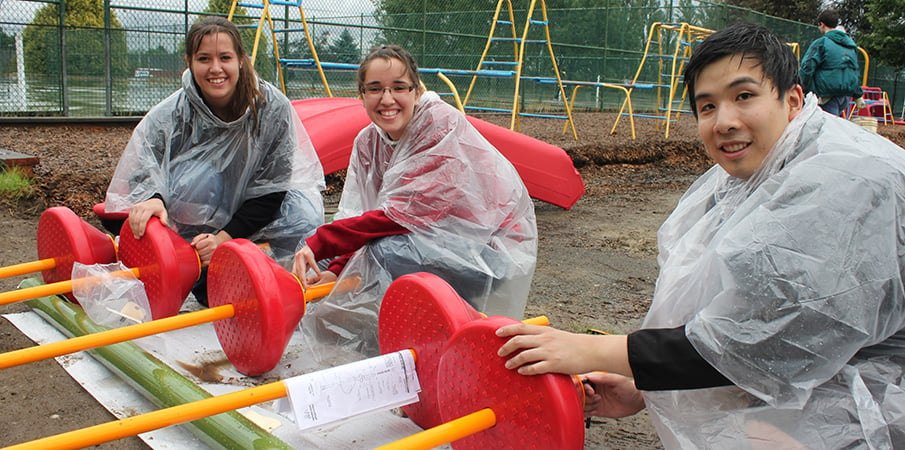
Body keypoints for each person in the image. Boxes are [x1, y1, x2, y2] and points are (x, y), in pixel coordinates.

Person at [497, 22, 905, 448]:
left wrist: (588, 350)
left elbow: (765, 344)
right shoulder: (749, 177)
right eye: (706, 107)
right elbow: (743, 318)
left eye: (743, 96)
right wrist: (642, 384)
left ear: (792, 100)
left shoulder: (844, 181)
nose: (724, 121)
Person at [293, 44, 537, 359]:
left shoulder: (440, 126)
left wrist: (323, 241)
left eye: (399, 88)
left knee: (387, 251)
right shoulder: (369, 143)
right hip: (431, 244)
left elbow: (402, 216)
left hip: (486, 252)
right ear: (361, 95)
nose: (387, 99)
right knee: (324, 253)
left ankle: (444, 332)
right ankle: (409, 328)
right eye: (375, 89)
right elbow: (361, 213)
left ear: (417, 91)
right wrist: (336, 269)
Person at [104, 16, 325, 305]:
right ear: (189, 61)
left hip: (256, 215)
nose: (215, 69)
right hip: (198, 219)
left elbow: (272, 190)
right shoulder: (172, 114)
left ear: (241, 60)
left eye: (225, 58)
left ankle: (283, 275)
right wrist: (154, 198)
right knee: (200, 178)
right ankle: (199, 262)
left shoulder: (272, 109)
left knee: (303, 216)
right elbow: (145, 166)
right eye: (204, 58)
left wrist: (225, 237)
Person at [799, 9, 863, 116]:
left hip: (826, 96)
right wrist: (858, 95)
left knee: (825, 129)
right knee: (836, 126)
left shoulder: (822, 43)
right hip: (845, 97)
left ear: (822, 24)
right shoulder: (851, 45)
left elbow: (807, 67)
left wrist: (805, 89)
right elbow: (853, 72)